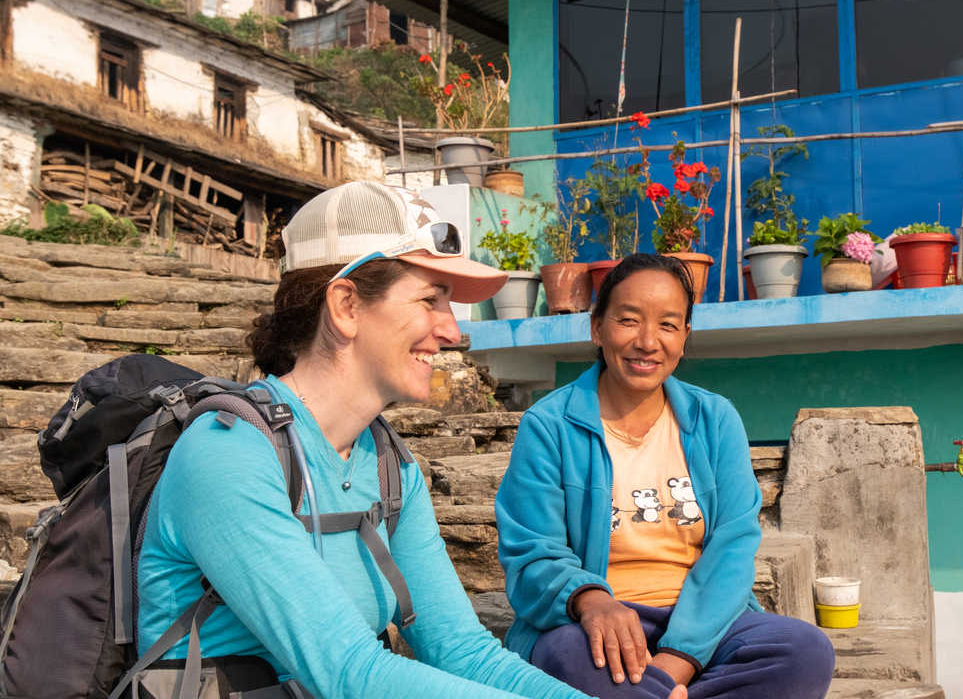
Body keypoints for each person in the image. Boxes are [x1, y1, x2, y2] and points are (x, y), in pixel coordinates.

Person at [135, 181, 593, 699]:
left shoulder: (390, 468)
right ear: (347, 305)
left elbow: (461, 651)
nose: (452, 331)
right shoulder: (227, 454)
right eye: (430, 300)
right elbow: (350, 673)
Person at [495, 254, 835, 699]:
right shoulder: (549, 425)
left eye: (668, 325)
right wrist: (593, 602)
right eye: (629, 320)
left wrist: (676, 663)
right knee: (564, 656)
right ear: (597, 328)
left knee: (804, 650)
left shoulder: (713, 419)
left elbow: (733, 546)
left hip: (702, 622)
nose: (647, 342)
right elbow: (532, 555)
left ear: (685, 336)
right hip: (595, 627)